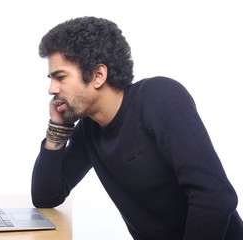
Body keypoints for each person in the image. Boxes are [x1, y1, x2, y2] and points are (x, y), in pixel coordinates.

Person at [30, 16, 243, 239]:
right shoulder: (88, 130)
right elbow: (47, 197)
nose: (52, 89)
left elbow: (214, 197)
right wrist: (58, 128)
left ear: (97, 75)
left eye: (60, 77)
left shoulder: (159, 97)